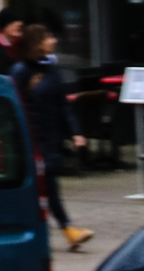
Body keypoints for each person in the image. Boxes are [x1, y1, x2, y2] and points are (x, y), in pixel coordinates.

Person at [12, 23, 92, 252]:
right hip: (31, 139)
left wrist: (76, 132)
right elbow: (16, 103)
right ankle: (67, 229)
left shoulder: (51, 69)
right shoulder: (21, 71)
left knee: (46, 186)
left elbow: (62, 104)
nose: (53, 40)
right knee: (47, 185)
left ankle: (40, 230)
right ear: (36, 42)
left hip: (51, 137)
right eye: (48, 36)